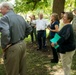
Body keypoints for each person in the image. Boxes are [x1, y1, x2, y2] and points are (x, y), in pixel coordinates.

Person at [0, 2, 32, 75]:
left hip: (12, 47)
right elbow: (29, 28)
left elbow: (5, 33)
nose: (0, 11)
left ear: (7, 8)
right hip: (22, 44)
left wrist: (4, 46)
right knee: (22, 71)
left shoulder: (4, 18)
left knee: (12, 72)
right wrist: (22, 36)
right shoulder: (20, 17)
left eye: (1, 9)